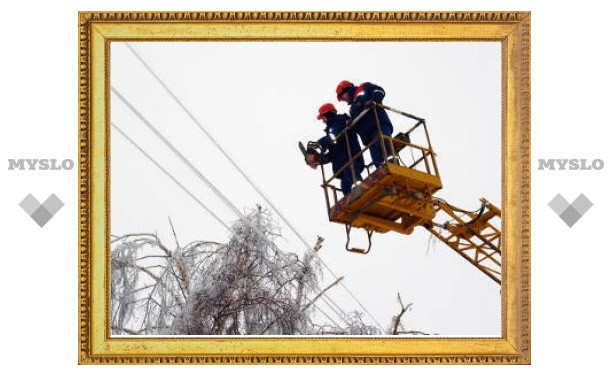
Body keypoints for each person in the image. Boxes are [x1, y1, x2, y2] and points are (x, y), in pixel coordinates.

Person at [306, 103, 365, 196]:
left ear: (327, 114)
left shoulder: (339, 120)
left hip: (351, 159)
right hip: (342, 164)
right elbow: (333, 154)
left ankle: (361, 188)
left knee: (351, 173)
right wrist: (319, 160)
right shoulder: (331, 129)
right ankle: (349, 201)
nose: (323, 121)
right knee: (345, 185)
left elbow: (334, 135)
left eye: (322, 118)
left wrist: (319, 143)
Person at [336, 80, 394, 167]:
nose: (343, 100)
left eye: (342, 96)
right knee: (377, 160)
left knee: (384, 146)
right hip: (368, 137)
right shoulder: (352, 108)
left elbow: (379, 91)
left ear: (346, 90)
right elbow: (357, 122)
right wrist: (350, 123)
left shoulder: (363, 87)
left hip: (378, 125)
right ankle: (383, 171)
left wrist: (373, 100)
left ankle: (393, 164)